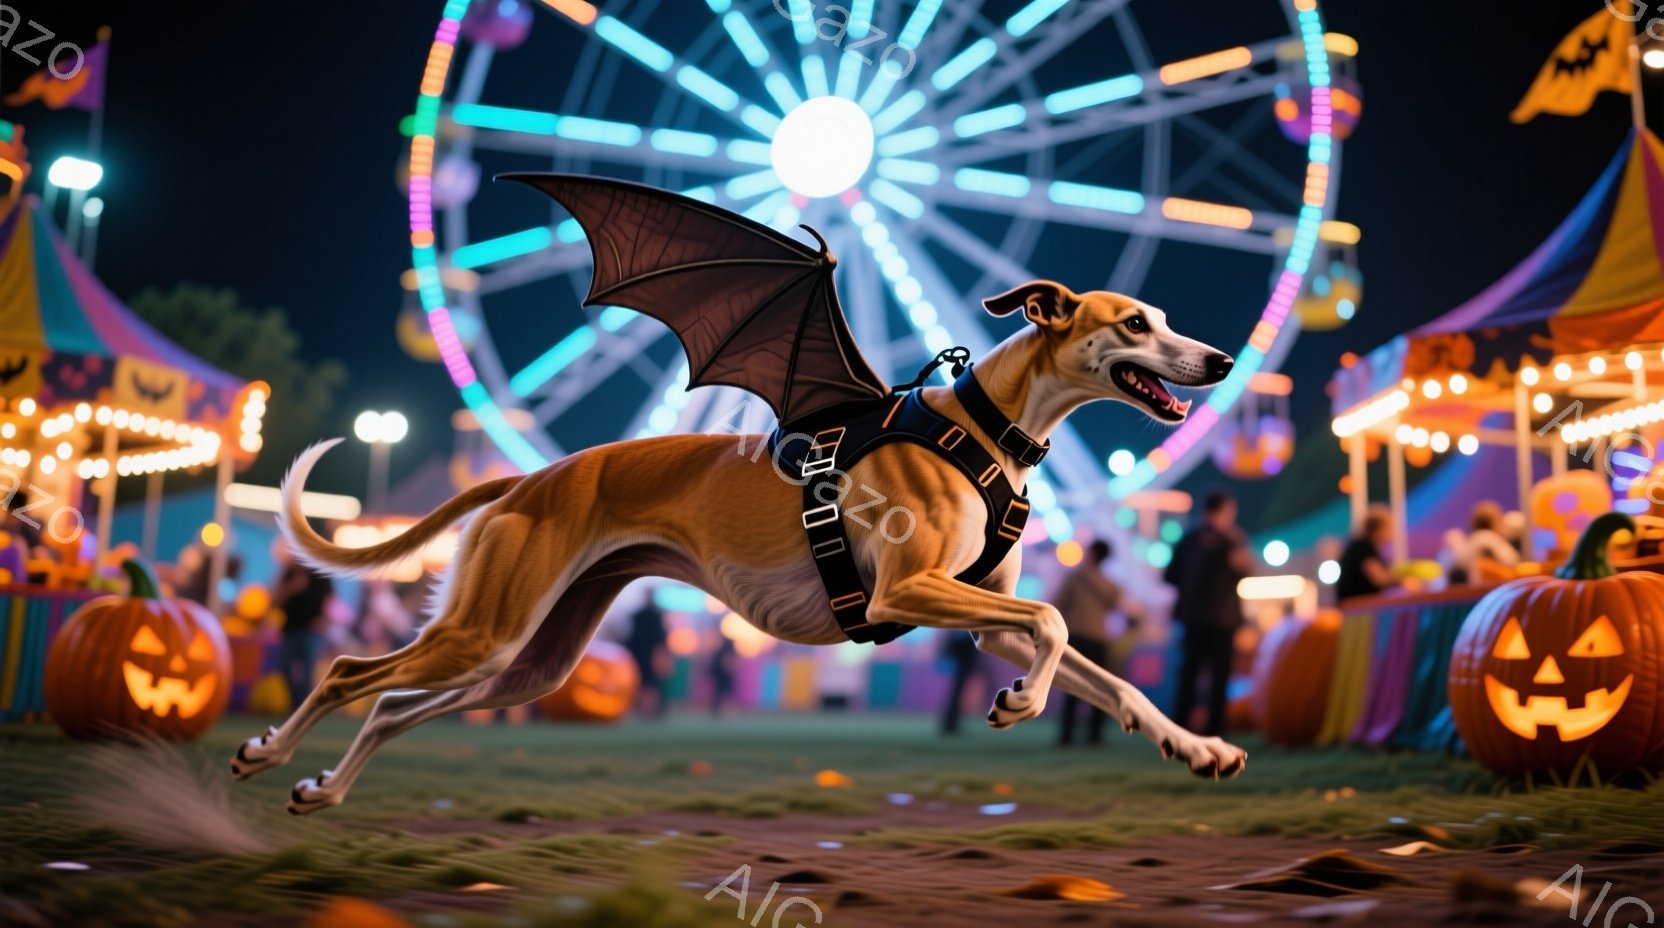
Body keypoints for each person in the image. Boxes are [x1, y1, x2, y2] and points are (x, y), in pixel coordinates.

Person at [1163, 491, 1249, 737]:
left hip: (1193, 617)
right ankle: (1215, 728)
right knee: (1219, 677)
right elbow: (1244, 569)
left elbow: (1170, 576)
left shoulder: (1189, 539)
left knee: (1188, 673)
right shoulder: (1233, 540)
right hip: (1224, 620)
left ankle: (1179, 726)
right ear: (1225, 510)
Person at [1054, 539, 1122, 746]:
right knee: (1099, 689)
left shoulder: (1074, 578)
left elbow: (1058, 605)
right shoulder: (1111, 585)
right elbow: (1113, 605)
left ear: (1091, 553)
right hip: (1098, 639)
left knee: (1071, 687)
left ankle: (1066, 735)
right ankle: (1094, 735)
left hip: (1075, 637)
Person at [275, 553, 335, 708]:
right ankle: (295, 703)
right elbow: (275, 599)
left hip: (311, 630)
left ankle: (304, 706)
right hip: (290, 629)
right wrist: (291, 588)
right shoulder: (289, 573)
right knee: (285, 666)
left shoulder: (320, 572)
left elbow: (329, 599)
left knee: (308, 670)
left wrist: (324, 620)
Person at [1337, 505, 1400, 602]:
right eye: (1389, 528)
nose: (1391, 534)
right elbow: (1379, 578)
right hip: (1357, 608)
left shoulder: (1360, 546)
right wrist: (1402, 579)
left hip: (1355, 606)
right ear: (1380, 529)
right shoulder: (1363, 548)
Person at [938, 629, 991, 735]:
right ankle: (950, 724)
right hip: (963, 655)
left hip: (963, 654)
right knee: (957, 691)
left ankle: (950, 724)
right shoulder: (964, 629)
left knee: (957, 691)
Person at [624, 599, 670, 718]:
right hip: (643, 654)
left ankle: (647, 709)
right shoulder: (650, 618)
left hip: (643, 654)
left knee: (647, 682)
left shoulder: (641, 617)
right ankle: (645, 709)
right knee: (647, 682)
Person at [708, 636, 737, 717]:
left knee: (721, 693)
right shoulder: (726, 651)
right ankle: (722, 711)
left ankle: (720, 710)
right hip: (723, 676)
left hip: (721, 675)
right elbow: (727, 664)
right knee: (722, 693)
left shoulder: (721, 651)